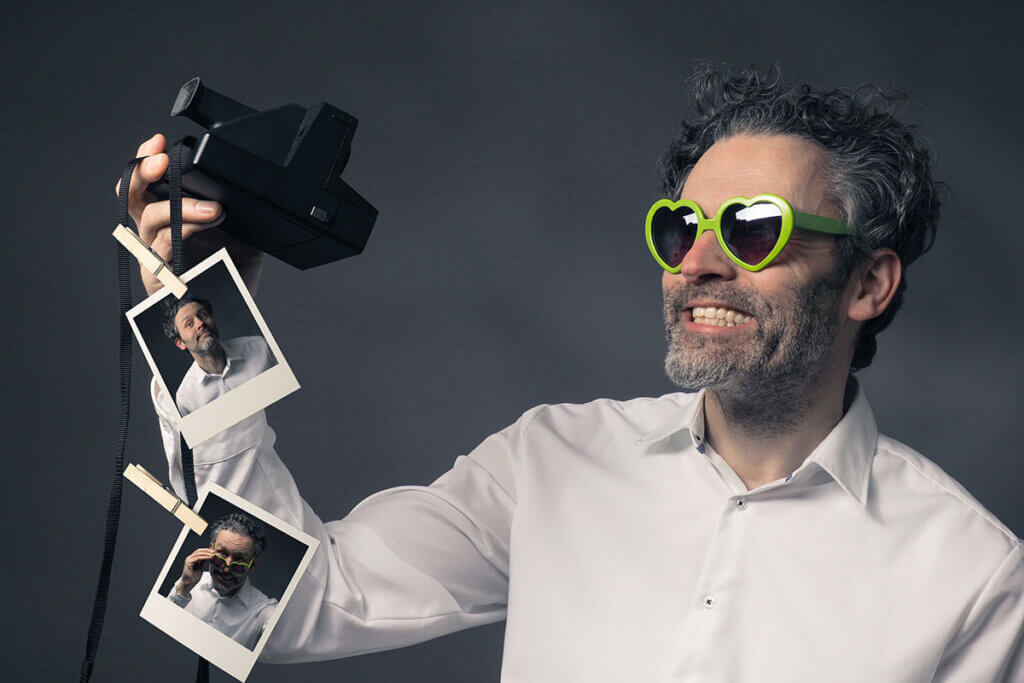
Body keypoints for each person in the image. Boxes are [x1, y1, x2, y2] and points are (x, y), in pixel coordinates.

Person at [122, 64, 1023, 681]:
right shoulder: (553, 459)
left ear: (868, 281)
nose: (698, 263)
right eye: (680, 229)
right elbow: (282, 605)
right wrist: (205, 310)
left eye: (753, 229)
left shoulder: (975, 579)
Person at [169, 512, 278, 650]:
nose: (226, 569)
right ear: (211, 549)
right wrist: (183, 588)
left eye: (239, 560)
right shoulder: (186, 582)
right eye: (222, 553)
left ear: (253, 565)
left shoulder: (263, 610)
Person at [161, 293, 277, 417]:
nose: (200, 323)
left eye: (203, 315)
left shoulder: (261, 347)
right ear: (180, 343)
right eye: (189, 324)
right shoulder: (185, 398)